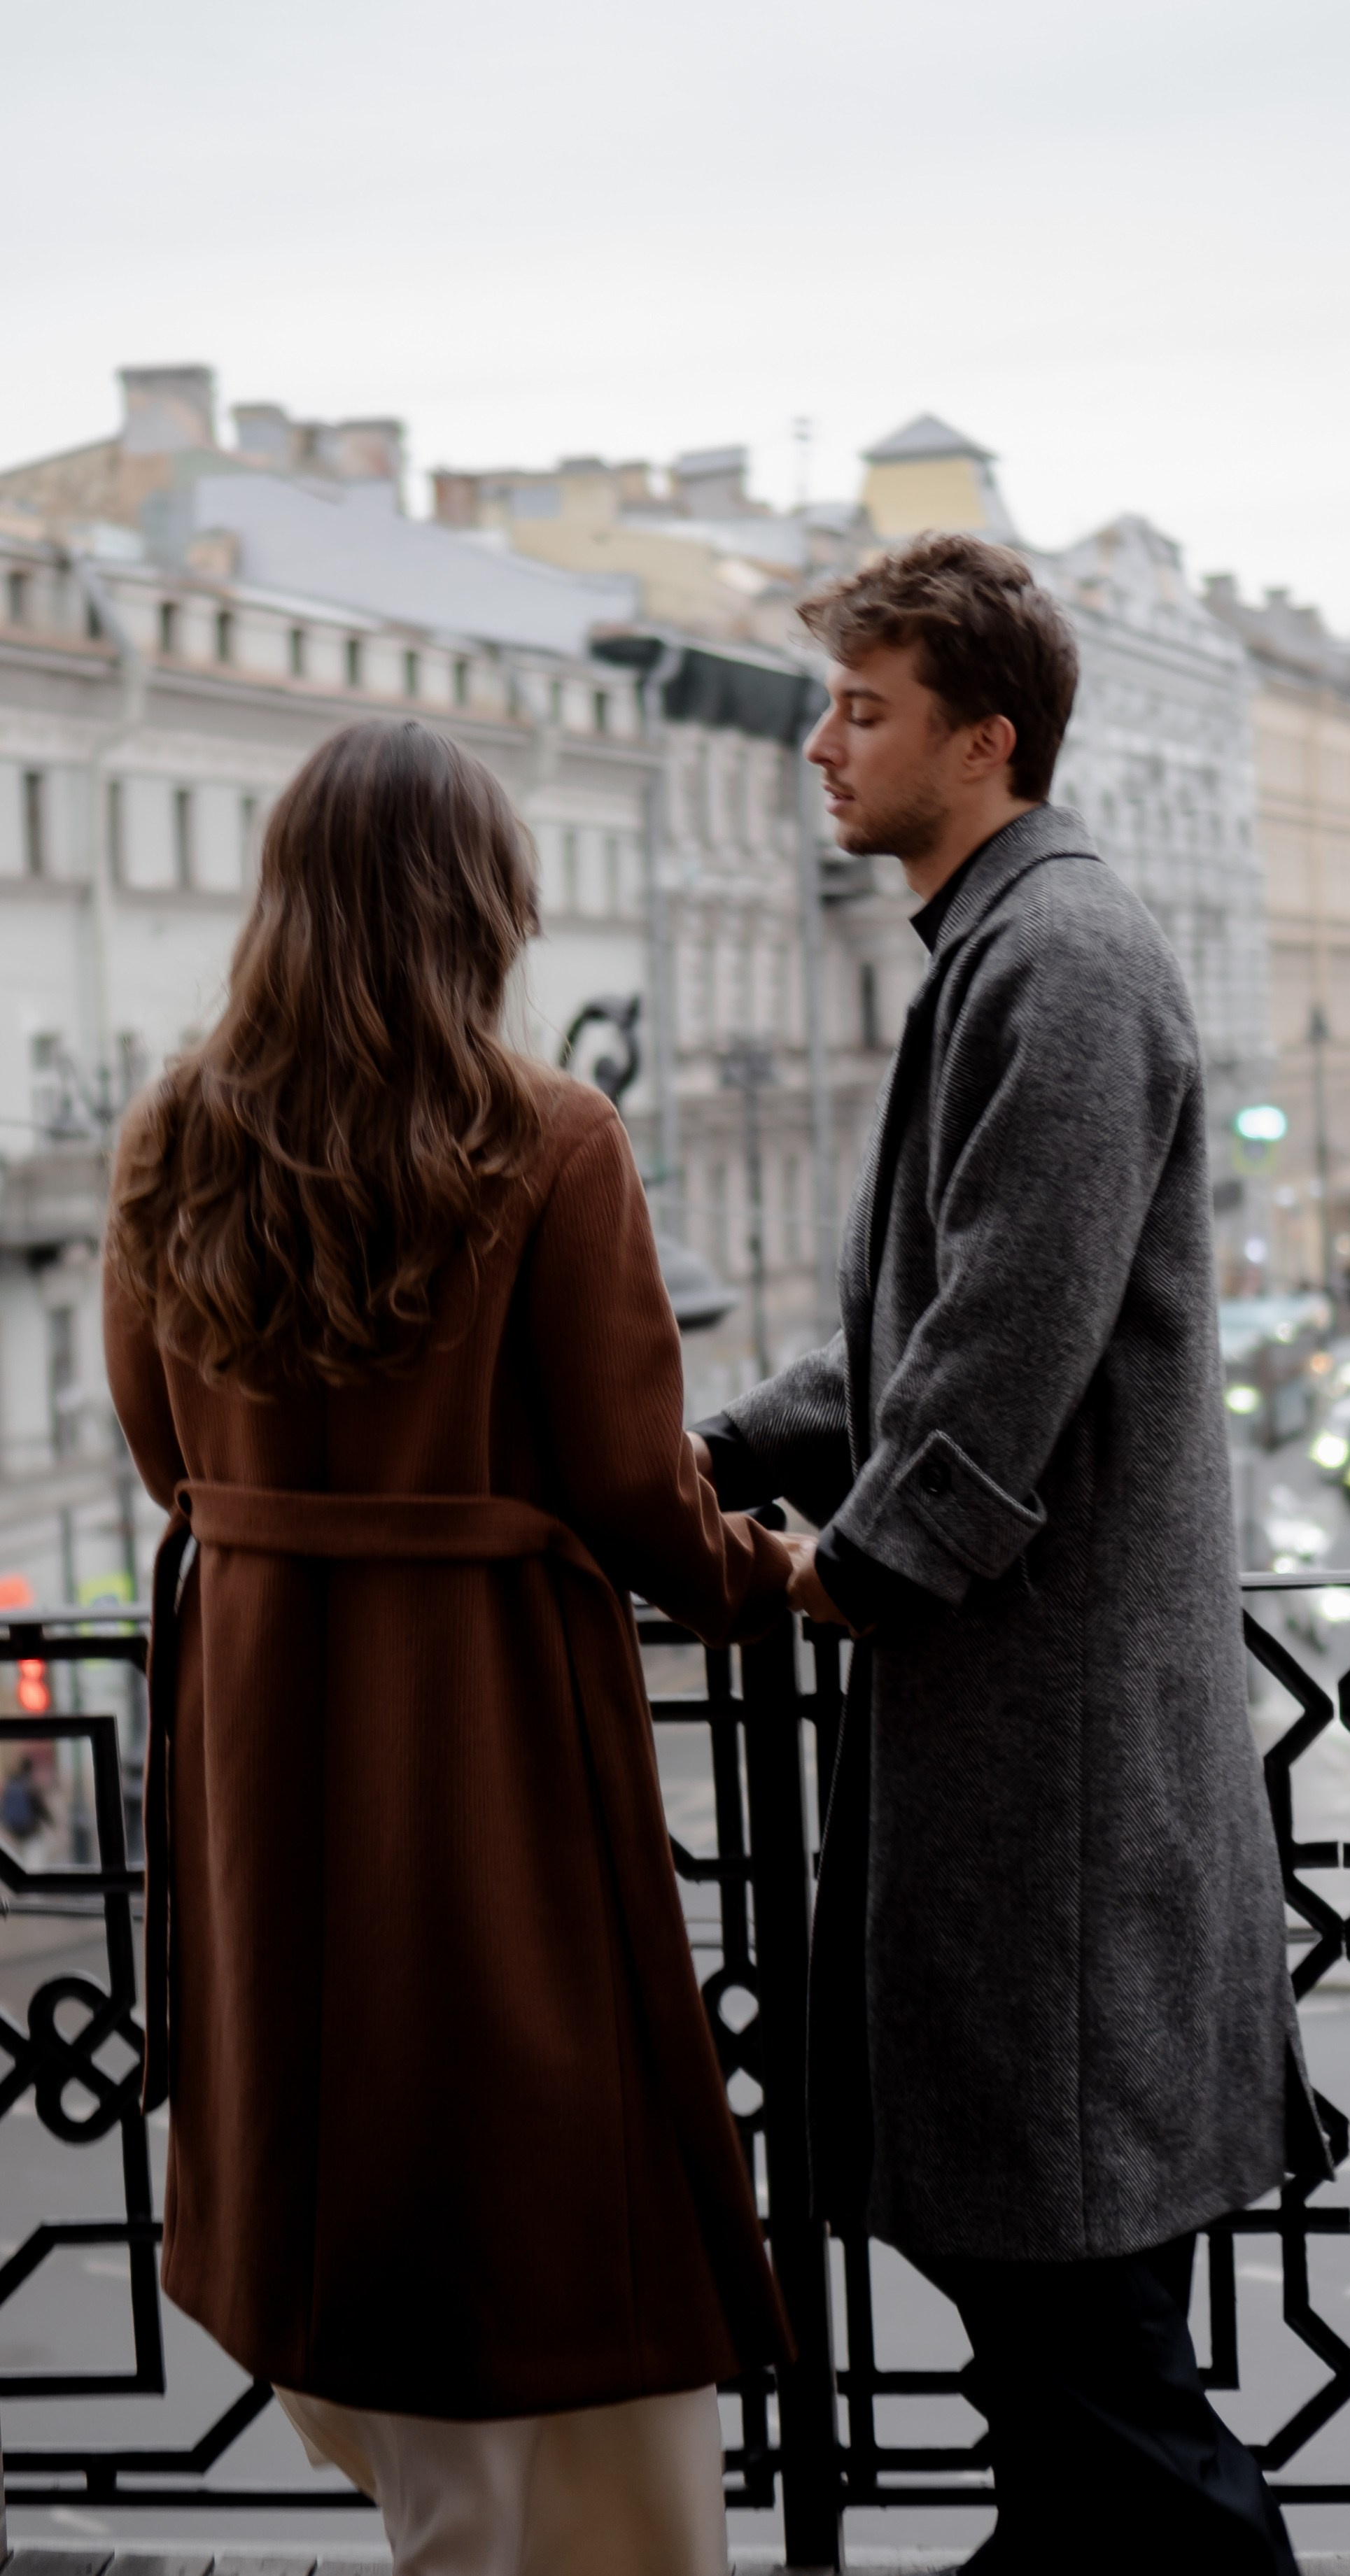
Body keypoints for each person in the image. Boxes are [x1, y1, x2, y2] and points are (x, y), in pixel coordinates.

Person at [104, 719, 802, 2576]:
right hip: (486, 1716)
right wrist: (771, 1571)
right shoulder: (548, 1135)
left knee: (330, 2129)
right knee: (530, 2129)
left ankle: (444, 2519)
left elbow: (162, 1450)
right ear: (483, 903)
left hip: (260, 1712)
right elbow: (636, 1487)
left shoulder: (171, 1133)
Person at [695, 535, 1324, 2573]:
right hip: (1021, 1751)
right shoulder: (1002, 946)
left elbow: (998, 1341)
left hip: (1051, 1770)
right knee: (1038, 2291)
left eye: (863, 708)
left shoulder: (1060, 957)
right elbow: (914, 1332)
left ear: (986, 738)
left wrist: (855, 1562)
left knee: (1085, 2321)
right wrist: (707, 1443)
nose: (821, 743)